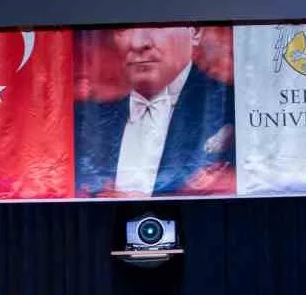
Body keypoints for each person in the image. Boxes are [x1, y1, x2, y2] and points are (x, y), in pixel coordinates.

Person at [75, 26, 235, 198]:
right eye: (123, 28)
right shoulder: (84, 124)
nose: (137, 43)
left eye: (158, 25)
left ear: (194, 32)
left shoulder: (232, 108)